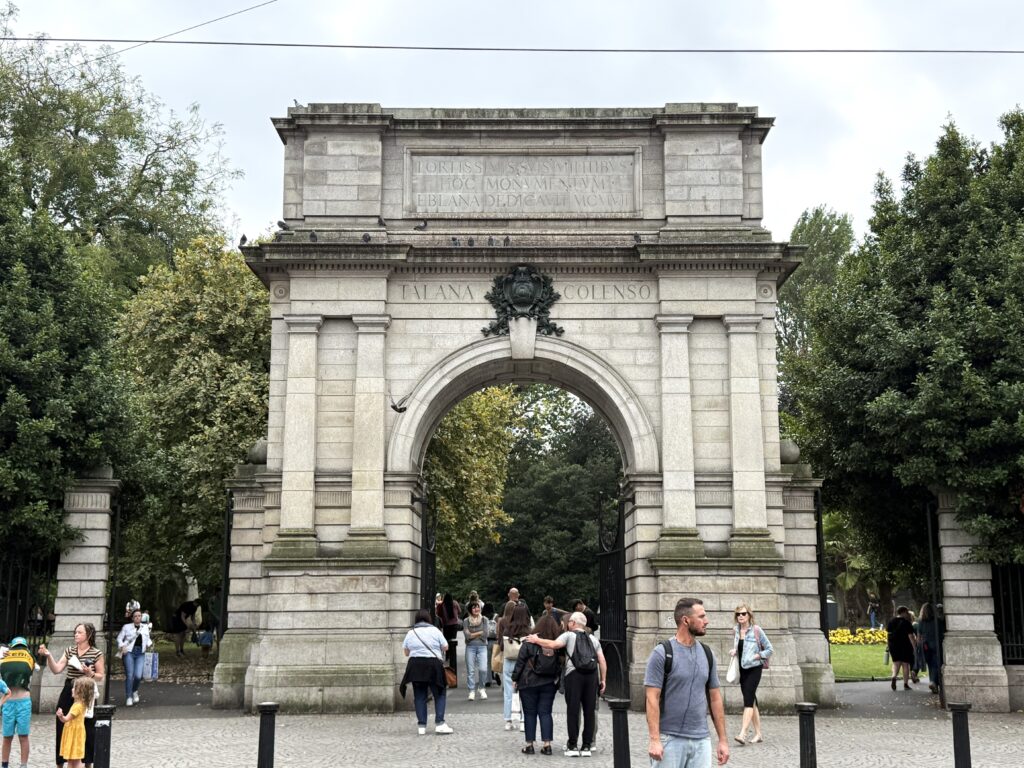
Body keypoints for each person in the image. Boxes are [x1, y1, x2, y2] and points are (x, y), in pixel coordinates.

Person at [644, 597, 729, 767]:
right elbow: (652, 698)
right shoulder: (662, 653)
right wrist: (655, 739)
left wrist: (723, 740)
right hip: (670, 738)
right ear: (685, 620)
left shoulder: (707, 654)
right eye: (701, 616)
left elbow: (715, 698)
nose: (706, 621)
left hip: (701, 740)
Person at [526, 610, 607, 757]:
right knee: (589, 711)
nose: (568, 623)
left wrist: (536, 640)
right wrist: (603, 680)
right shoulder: (593, 639)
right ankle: (587, 746)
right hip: (591, 676)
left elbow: (553, 644)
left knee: (573, 710)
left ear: (573, 623)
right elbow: (602, 661)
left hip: (574, 675)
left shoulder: (569, 635)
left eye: (569, 621)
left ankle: (573, 745)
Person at [38, 622, 103, 768]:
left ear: (89, 635)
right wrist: (48, 656)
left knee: (88, 727)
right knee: (63, 725)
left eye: (79, 632)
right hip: (70, 689)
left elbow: (100, 676)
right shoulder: (70, 650)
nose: (76, 634)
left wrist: (90, 673)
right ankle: (61, 763)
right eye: (75, 632)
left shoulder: (96, 653)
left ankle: (87, 763)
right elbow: (56, 669)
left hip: (86, 690)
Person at [512, 615, 562, 755]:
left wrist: (515, 679)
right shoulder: (556, 644)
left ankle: (529, 745)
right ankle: (547, 745)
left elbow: (520, 662)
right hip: (549, 683)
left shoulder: (529, 642)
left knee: (529, 713)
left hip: (529, 682)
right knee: (546, 713)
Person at [398, 608, 453, 735]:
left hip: (416, 665)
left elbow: (406, 652)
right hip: (433, 665)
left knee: (419, 695)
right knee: (439, 693)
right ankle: (440, 723)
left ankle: (421, 726)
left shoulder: (411, 633)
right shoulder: (435, 631)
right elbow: (445, 647)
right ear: (429, 618)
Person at [730, 604, 772, 746]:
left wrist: (758, 655)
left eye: (743, 613)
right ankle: (758, 734)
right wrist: (734, 651)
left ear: (749, 615)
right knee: (752, 700)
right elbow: (740, 648)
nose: (740, 616)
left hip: (754, 668)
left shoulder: (756, 630)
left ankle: (743, 733)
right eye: (738, 614)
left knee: (748, 700)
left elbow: (770, 649)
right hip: (742, 669)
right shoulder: (736, 630)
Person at [1, 636, 35, 768]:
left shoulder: (29, 658)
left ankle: (23, 765)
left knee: (23, 736)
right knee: (7, 736)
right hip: (8, 702)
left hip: (23, 701)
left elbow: (30, 669)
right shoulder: (3, 657)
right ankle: (4, 765)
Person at [498, 603, 530, 731]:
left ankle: (508, 720)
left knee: (508, 692)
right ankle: (523, 721)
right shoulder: (528, 631)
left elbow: (501, 646)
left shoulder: (507, 629)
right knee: (525, 693)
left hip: (509, 662)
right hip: (524, 664)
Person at [116, 609, 153, 707]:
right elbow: (119, 638)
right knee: (130, 675)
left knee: (138, 676)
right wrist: (122, 646)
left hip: (140, 653)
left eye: (139, 616)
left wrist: (150, 644)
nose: (137, 617)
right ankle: (129, 697)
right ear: (132, 618)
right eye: (135, 616)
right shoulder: (126, 627)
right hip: (129, 652)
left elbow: (147, 639)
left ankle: (134, 690)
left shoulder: (145, 627)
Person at [55, 677, 93, 768]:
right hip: (76, 733)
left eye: (75, 688)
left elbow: (65, 719)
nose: (72, 689)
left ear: (80, 692)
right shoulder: (81, 704)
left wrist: (60, 715)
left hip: (74, 735)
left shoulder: (76, 706)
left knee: (74, 760)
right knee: (73, 760)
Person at [462, 602, 489, 700]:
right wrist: (479, 633)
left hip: (482, 647)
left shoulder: (484, 620)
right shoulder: (466, 621)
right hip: (470, 647)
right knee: (471, 670)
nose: (477, 609)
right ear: (470, 610)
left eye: (478, 607)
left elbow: (485, 634)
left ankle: (481, 688)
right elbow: (467, 636)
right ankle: (471, 691)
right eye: (474, 608)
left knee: (483, 669)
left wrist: (473, 634)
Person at [886, 605, 917, 691]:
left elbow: (888, 634)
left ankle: (894, 676)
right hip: (905, 646)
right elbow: (911, 637)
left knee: (896, 663)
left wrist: (888, 645)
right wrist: (914, 648)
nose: (907, 614)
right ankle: (905, 684)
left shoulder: (891, 621)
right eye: (906, 612)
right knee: (905, 664)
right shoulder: (907, 623)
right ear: (903, 612)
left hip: (893, 645)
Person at [916, 602, 943, 694]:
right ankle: (934, 682)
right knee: (937, 664)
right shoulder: (938, 621)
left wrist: (918, 646)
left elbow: (919, 636)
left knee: (931, 665)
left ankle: (933, 681)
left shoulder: (921, 622)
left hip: (925, 645)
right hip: (936, 644)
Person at [437, 593, 461, 677]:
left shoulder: (442, 605)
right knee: (453, 640)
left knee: (446, 640)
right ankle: (452, 656)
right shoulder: (455, 603)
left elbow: (439, 614)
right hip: (454, 624)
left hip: (446, 625)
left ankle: (447, 655)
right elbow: (459, 611)